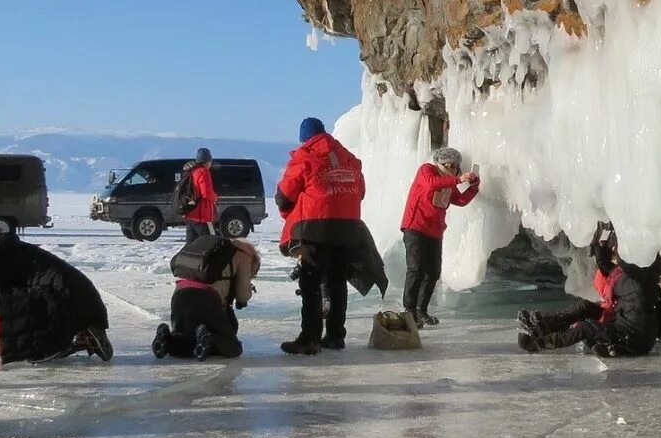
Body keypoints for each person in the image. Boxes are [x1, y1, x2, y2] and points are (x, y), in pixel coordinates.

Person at [276, 117, 387, 354]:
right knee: (337, 282)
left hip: (315, 227)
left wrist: (292, 214)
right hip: (347, 227)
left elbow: (284, 196)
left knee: (311, 282)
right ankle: (336, 336)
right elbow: (361, 192)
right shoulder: (349, 159)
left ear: (305, 138)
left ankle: (309, 338)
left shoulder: (304, 157)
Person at [0, 232, 113, 364]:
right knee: (13, 303)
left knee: (9, 308)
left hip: (66, 297)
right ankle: (84, 332)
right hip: (81, 296)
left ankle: (62, 344)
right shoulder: (3, 251)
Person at [516, 222, 661, 357]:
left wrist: (616, 232)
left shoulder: (634, 279)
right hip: (626, 326)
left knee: (586, 327)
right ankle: (545, 324)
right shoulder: (629, 278)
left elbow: (617, 262)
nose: (614, 252)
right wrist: (604, 233)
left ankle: (539, 344)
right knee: (586, 307)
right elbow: (605, 264)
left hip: (633, 335)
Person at [399, 147, 480, 327]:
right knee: (416, 268)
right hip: (415, 227)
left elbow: (459, 200)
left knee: (433, 272)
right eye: (449, 165)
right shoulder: (427, 170)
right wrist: (458, 179)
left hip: (434, 232)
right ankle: (409, 310)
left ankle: (422, 310)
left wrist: (473, 188)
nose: (452, 168)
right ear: (440, 164)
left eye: (455, 166)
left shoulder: (449, 183)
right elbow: (430, 183)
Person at [153, 237, 262, 360]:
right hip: (207, 298)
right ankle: (210, 338)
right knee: (232, 347)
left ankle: (167, 340)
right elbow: (243, 295)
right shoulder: (243, 255)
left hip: (180, 295)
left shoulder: (213, 249)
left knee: (185, 338)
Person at [181, 147, 219, 242]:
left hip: (191, 214)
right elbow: (206, 193)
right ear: (208, 161)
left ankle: (182, 257)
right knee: (212, 243)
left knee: (191, 246)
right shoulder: (203, 172)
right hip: (202, 216)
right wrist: (215, 197)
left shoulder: (192, 171)